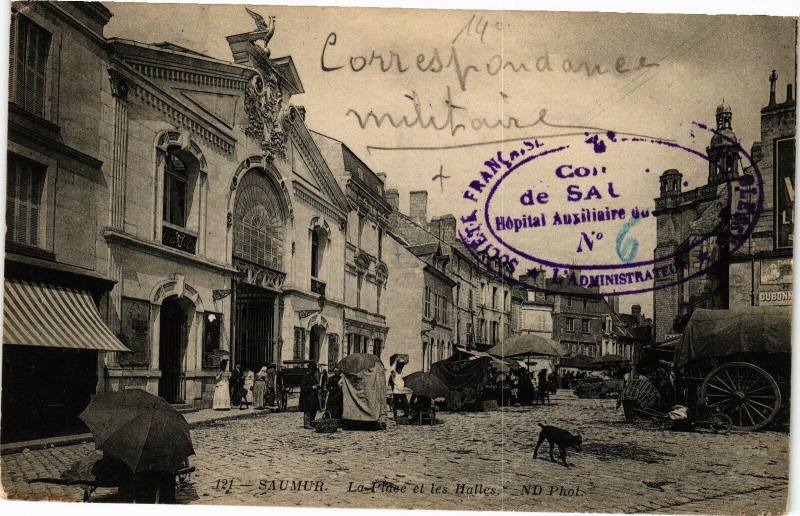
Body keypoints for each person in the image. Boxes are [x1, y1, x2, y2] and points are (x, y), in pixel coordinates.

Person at [299, 362, 320, 429]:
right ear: (310, 369)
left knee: (314, 409)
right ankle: (307, 424)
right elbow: (303, 387)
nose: (313, 371)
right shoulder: (306, 376)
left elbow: (316, 383)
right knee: (307, 410)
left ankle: (312, 422)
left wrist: (317, 386)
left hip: (313, 396)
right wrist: (312, 387)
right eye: (313, 369)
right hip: (307, 396)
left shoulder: (312, 376)